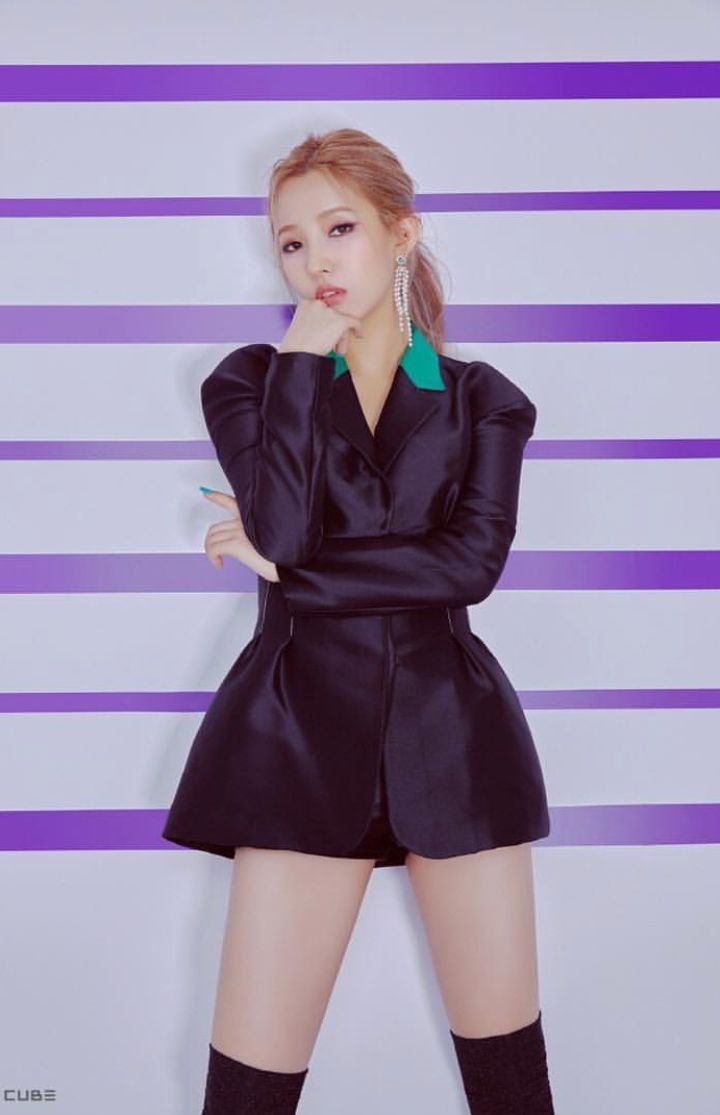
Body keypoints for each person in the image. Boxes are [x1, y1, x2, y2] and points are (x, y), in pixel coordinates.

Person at [162, 127, 555, 1114]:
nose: (314, 261)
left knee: (512, 1091)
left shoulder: (483, 400)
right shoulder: (248, 381)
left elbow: (470, 566)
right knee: (246, 1097)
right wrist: (300, 359)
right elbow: (288, 527)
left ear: (401, 233)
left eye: (339, 229)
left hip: (454, 740)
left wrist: (291, 572)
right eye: (291, 243)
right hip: (295, 739)